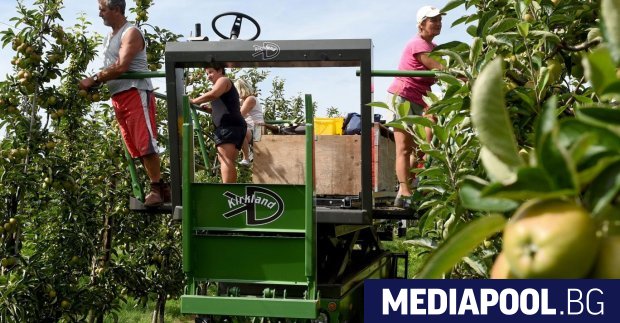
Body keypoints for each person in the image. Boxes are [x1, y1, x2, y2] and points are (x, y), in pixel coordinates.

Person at [79, 0, 169, 207]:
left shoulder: (131, 33)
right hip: (118, 96)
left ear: (117, 10)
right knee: (134, 147)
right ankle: (162, 189)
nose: (100, 15)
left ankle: (157, 188)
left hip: (134, 91)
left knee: (144, 142)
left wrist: (93, 79)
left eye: (102, 10)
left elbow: (121, 67)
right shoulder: (109, 37)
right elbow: (111, 68)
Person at [387, 5, 445, 208]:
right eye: (433, 20)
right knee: (404, 148)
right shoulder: (417, 44)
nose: (438, 23)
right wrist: (469, 76)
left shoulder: (434, 47)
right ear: (421, 24)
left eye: (439, 19)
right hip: (403, 97)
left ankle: (409, 187)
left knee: (425, 146)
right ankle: (404, 190)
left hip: (422, 99)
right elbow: (439, 68)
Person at [190, 63, 247, 183]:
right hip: (235, 125)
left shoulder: (223, 80)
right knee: (228, 160)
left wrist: (193, 100)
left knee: (225, 159)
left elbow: (213, 94)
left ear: (220, 70)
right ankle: (231, 189)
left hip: (228, 126)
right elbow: (226, 107)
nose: (208, 76)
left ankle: (227, 189)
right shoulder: (223, 85)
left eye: (211, 72)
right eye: (206, 74)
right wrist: (210, 110)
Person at [234, 78, 264, 167]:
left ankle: (246, 158)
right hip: (251, 129)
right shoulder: (243, 101)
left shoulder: (250, 99)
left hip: (257, 130)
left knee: (238, 129)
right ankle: (247, 154)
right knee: (236, 128)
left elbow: (239, 115)